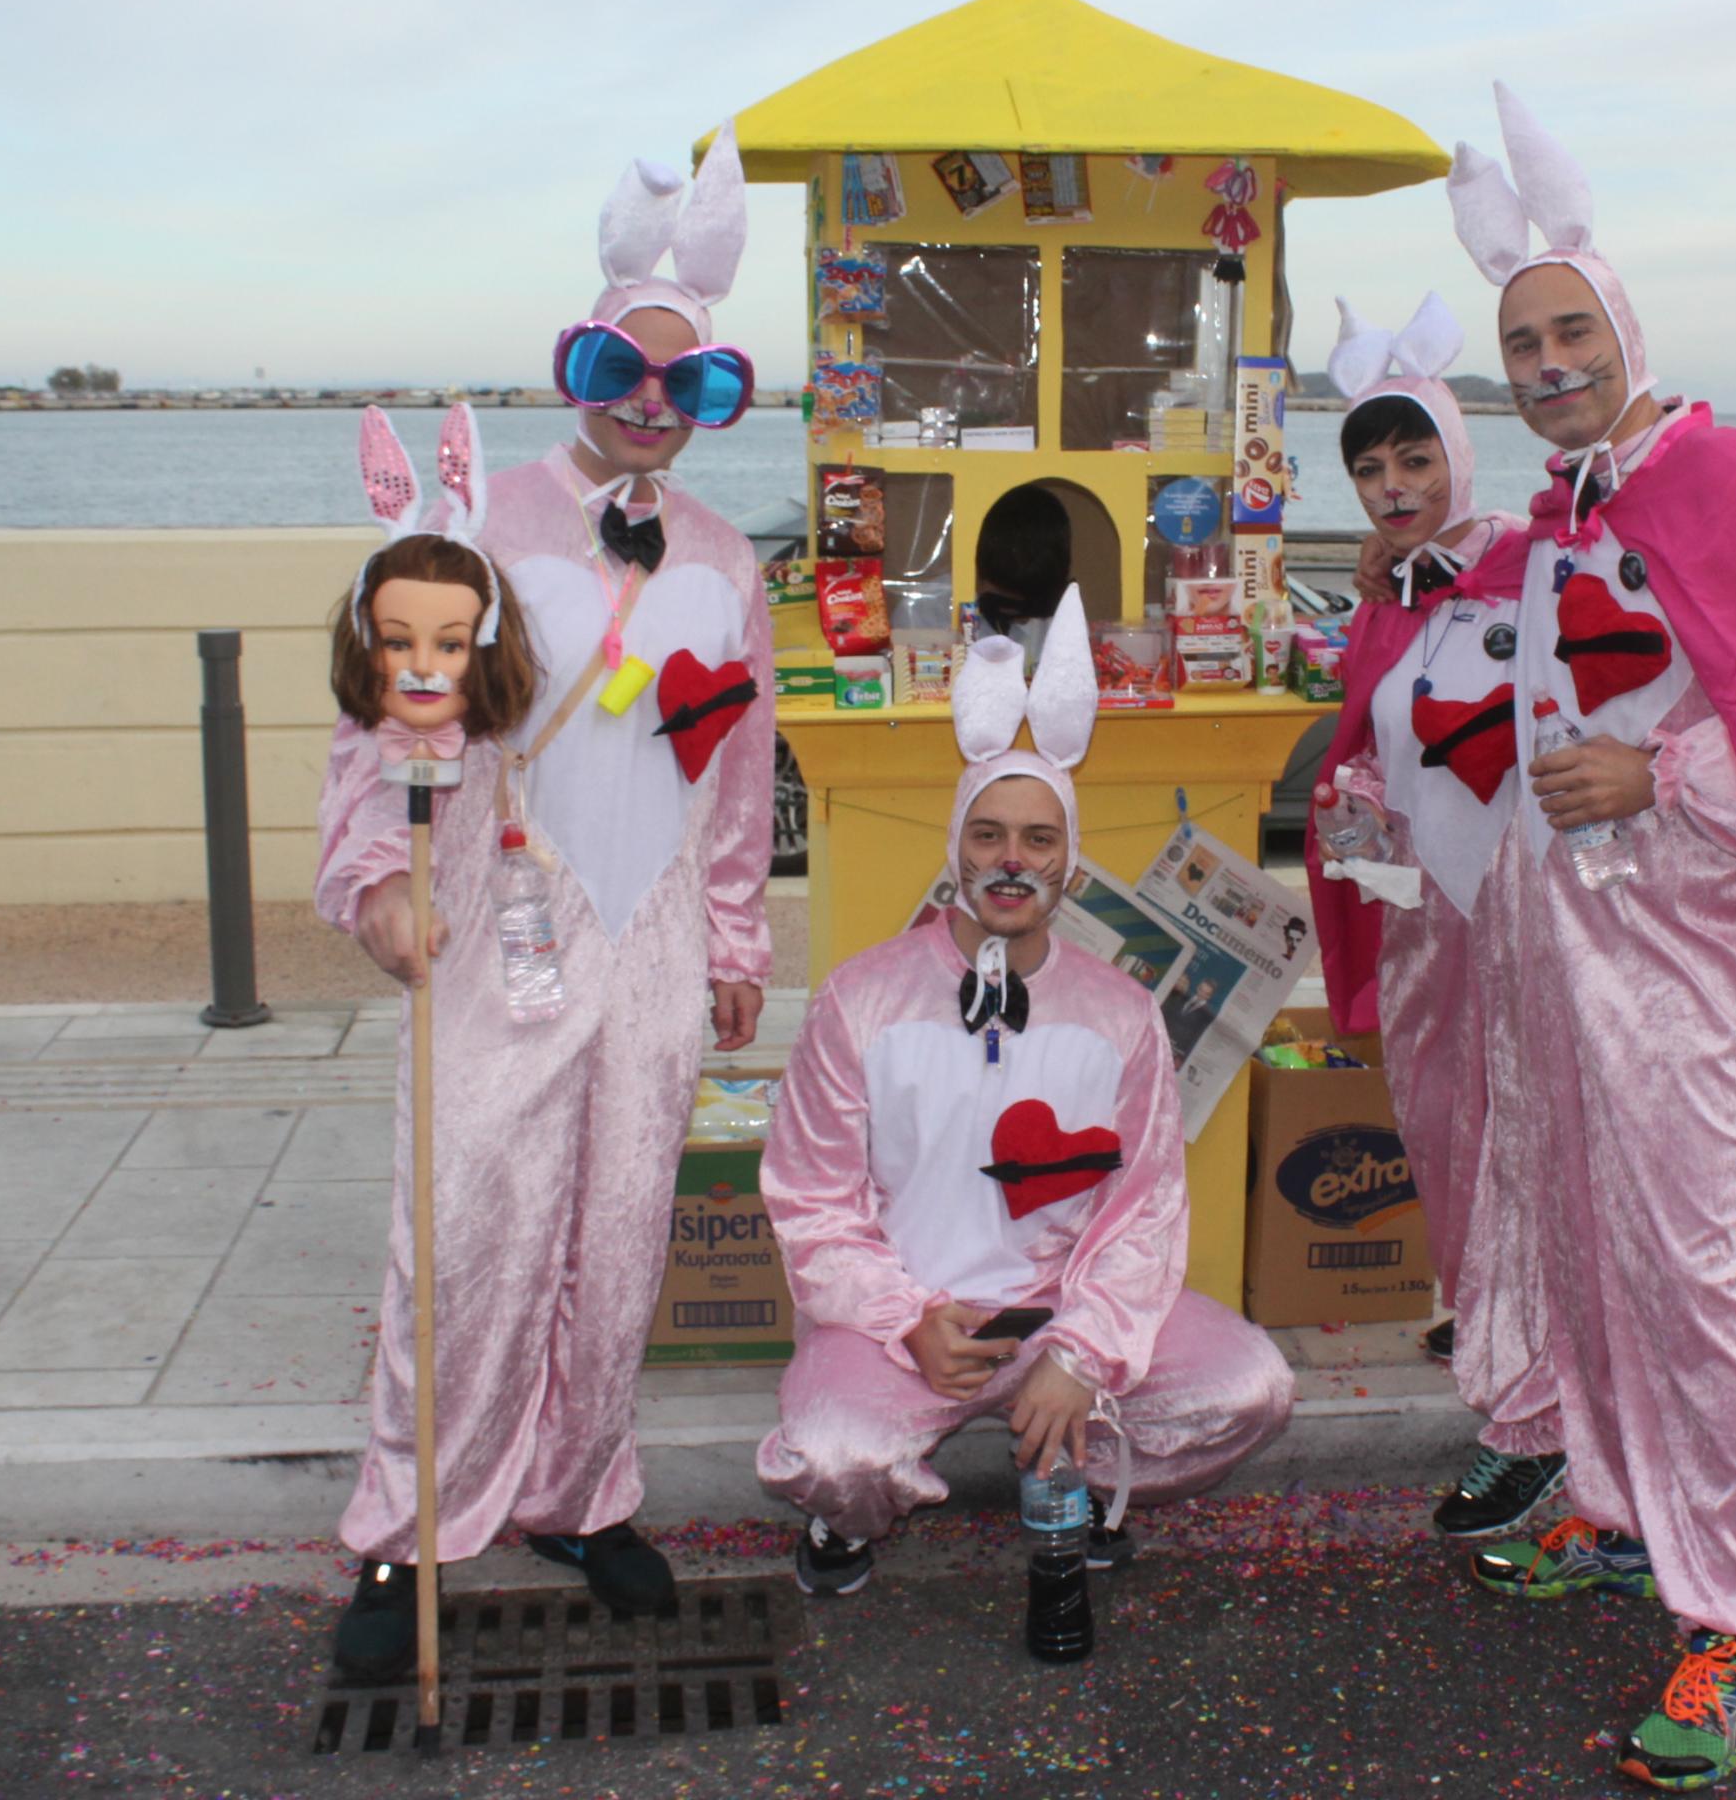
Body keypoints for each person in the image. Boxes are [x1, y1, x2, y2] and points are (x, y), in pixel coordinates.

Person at [1429, 86, 1736, 1792]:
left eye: (1572, 331)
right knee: (1591, 1246)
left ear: (1627, 331)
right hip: (1577, 955)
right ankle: (1622, 1509)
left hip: (1699, 961)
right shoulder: (1570, 509)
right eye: (1524, 342)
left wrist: (1665, 772)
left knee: (1705, 1279)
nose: (1550, 361)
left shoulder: (1721, 477)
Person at [319, 127, 776, 1677]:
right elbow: (380, 720)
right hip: (496, 925)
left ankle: (581, 1494)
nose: (651, 402)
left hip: (652, 941)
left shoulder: (727, 558)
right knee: (462, 1229)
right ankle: (410, 1532)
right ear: (576, 362)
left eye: (688, 381)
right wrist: (377, 881)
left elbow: (739, 770)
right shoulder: (482, 529)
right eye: (620, 368)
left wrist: (734, 939)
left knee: (622, 1227)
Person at [755, 588, 1294, 1595]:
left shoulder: (1120, 1012)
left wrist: (1080, 1352)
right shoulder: (859, 999)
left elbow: (1144, 1208)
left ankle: (1070, 1464)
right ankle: (854, 1517)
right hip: (903, 1323)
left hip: (1059, 1309)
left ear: (1068, 859)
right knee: (832, 1456)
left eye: (1039, 840)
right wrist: (906, 1318)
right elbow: (810, 1199)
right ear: (956, 847)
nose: (1012, 860)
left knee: (1250, 1389)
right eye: (989, 835)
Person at [1303, 291, 1572, 1542]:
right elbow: (1372, 750)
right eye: (1371, 468)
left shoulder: (1545, 568)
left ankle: (1533, 1420)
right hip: (1422, 919)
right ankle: (1495, 1320)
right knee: (1447, 1143)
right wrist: (1365, 864)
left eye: (1415, 458)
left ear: (1458, 450)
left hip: (1527, 919)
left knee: (1525, 1151)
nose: (1394, 487)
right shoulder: (1390, 593)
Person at [973, 483, 1074, 667]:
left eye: (1026, 607)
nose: (1016, 616)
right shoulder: (933, 614)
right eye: (1003, 599)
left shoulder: (1061, 627)